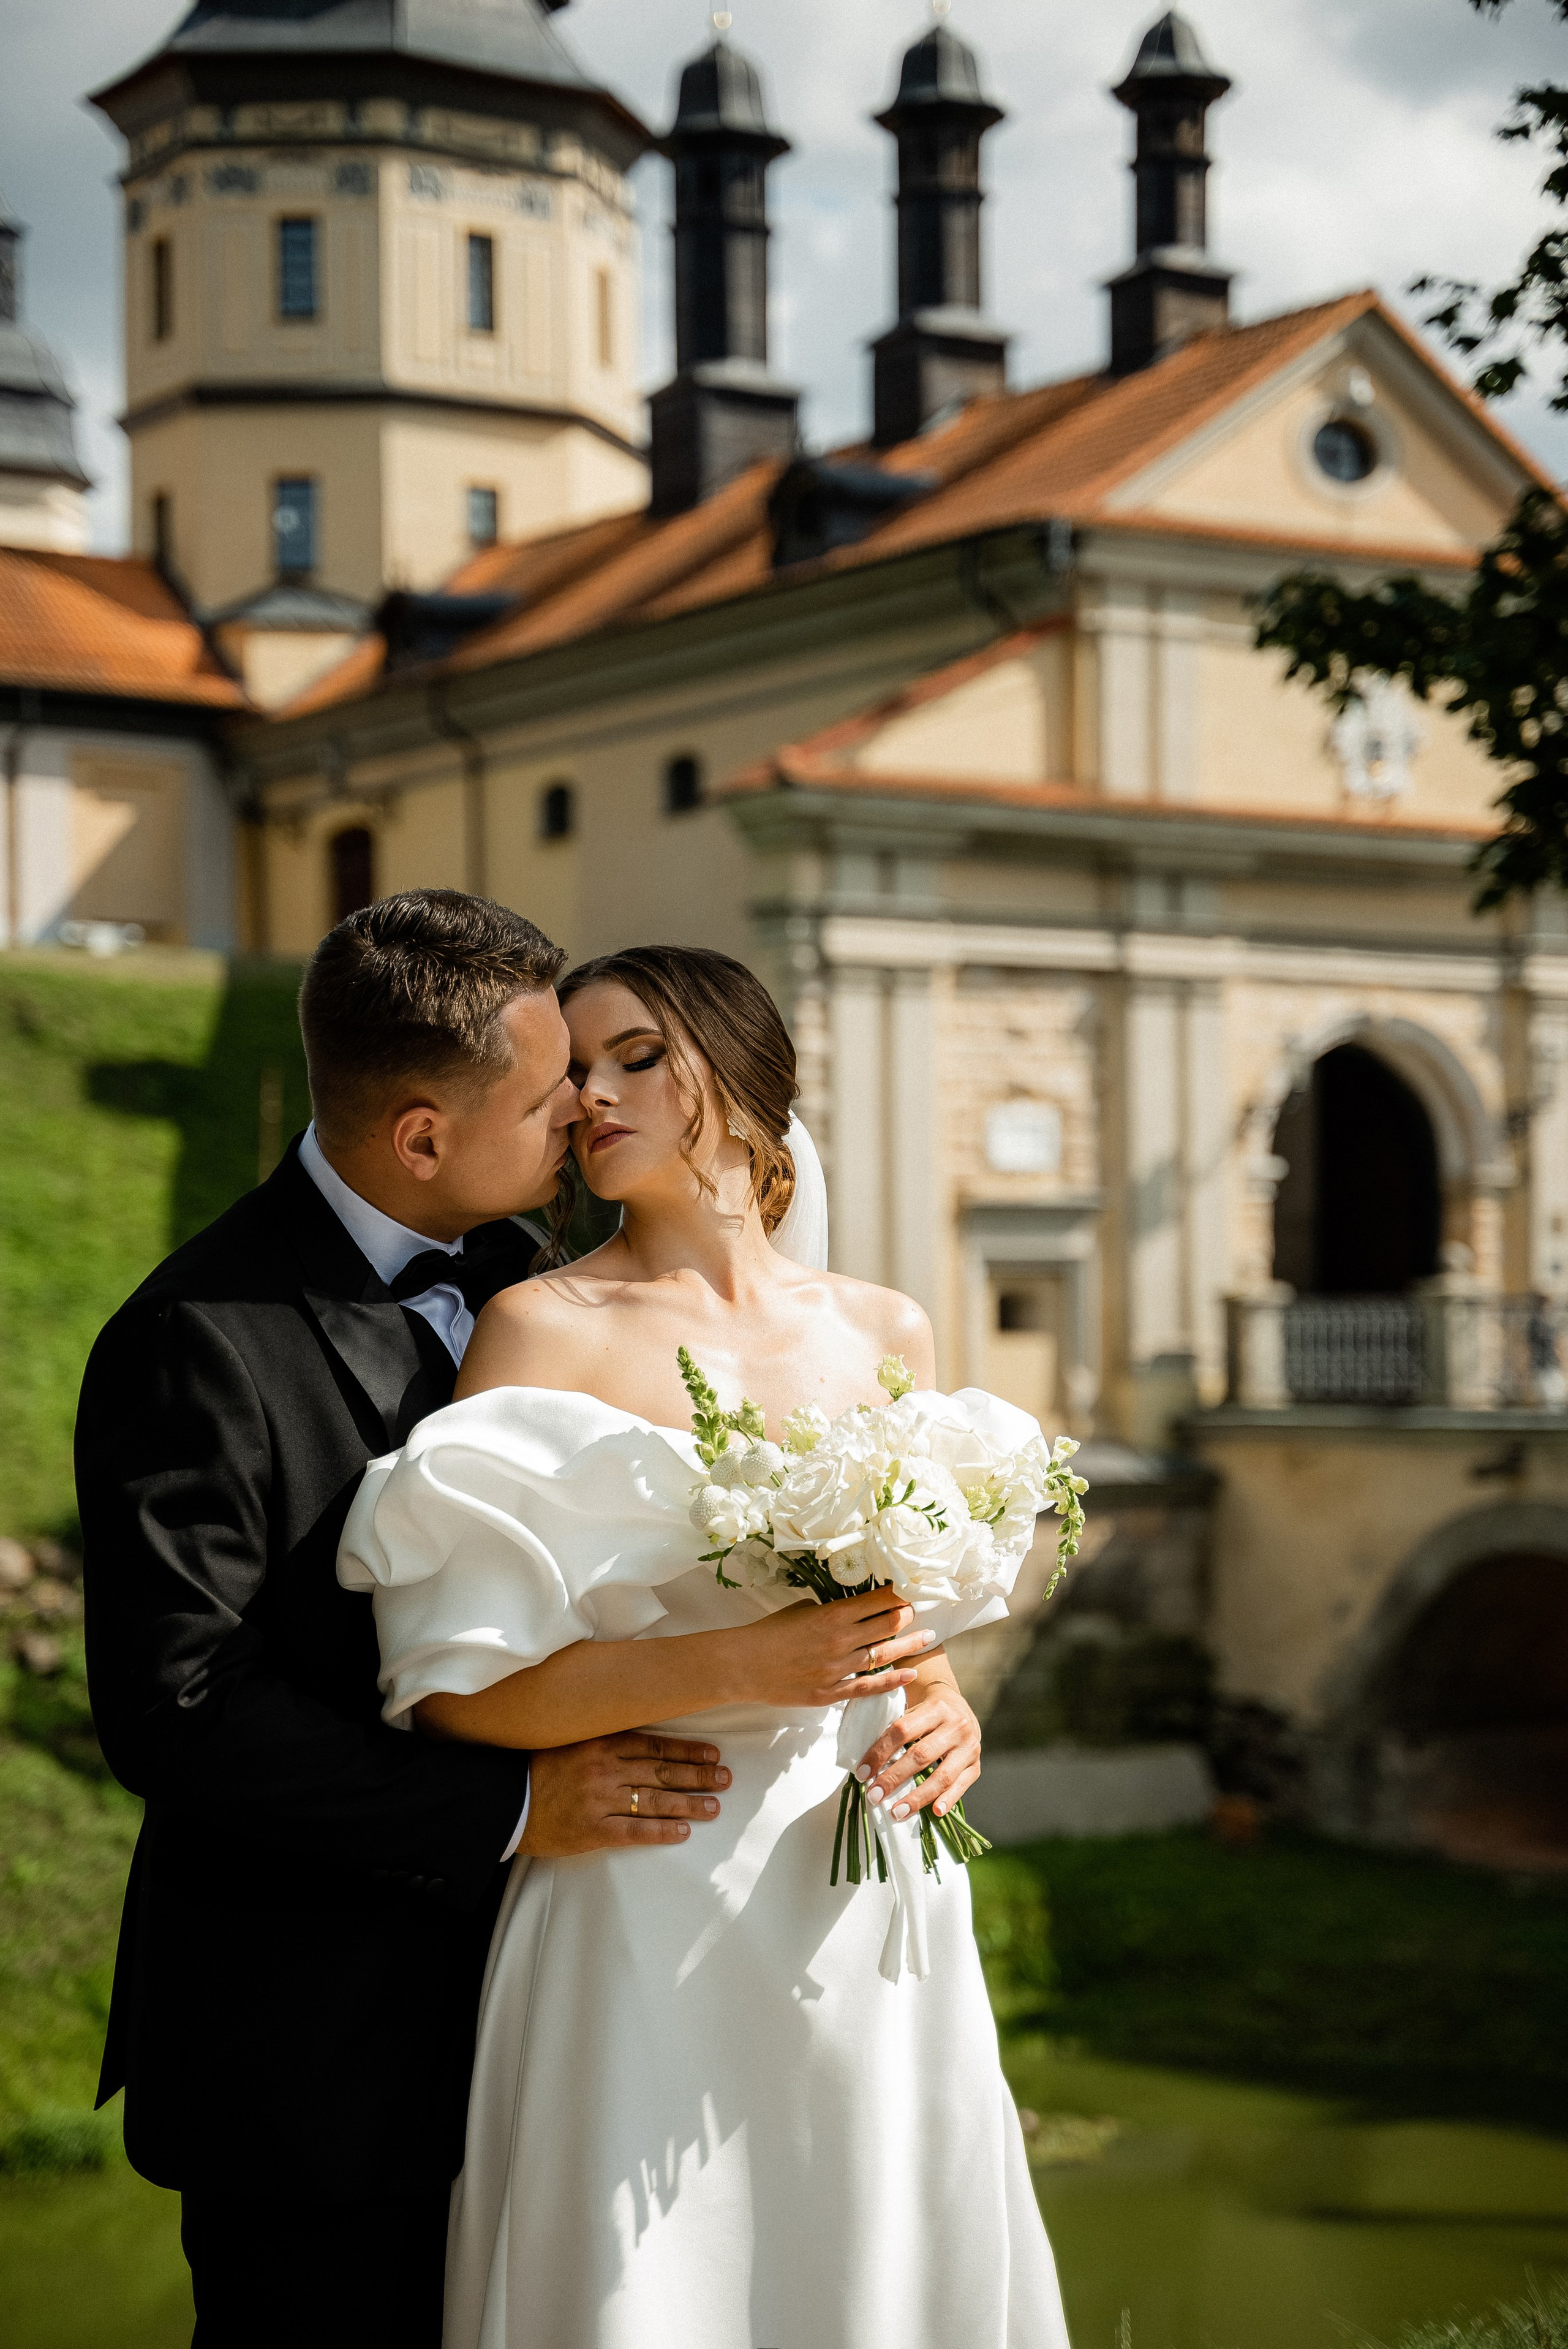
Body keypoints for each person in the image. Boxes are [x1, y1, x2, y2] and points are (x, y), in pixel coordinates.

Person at [339, 944, 1072, 2348]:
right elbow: (456, 1693)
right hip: (646, 1882)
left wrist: (942, 1701)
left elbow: (893, 1617)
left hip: (867, 1885)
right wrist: (736, 1671)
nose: (591, 1097)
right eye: (574, 1072)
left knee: (868, 2251)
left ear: (738, 1077)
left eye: (634, 1058)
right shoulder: (539, 1330)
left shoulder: (885, 1325)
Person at [75, 893, 733, 2349]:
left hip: (563, 2022)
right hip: (314, 2054)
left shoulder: (543, 1287)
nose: (583, 1109)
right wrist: (514, 1806)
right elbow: (177, 1706)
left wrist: (908, 1678)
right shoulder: (194, 1339)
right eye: (548, 1090)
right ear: (422, 1136)